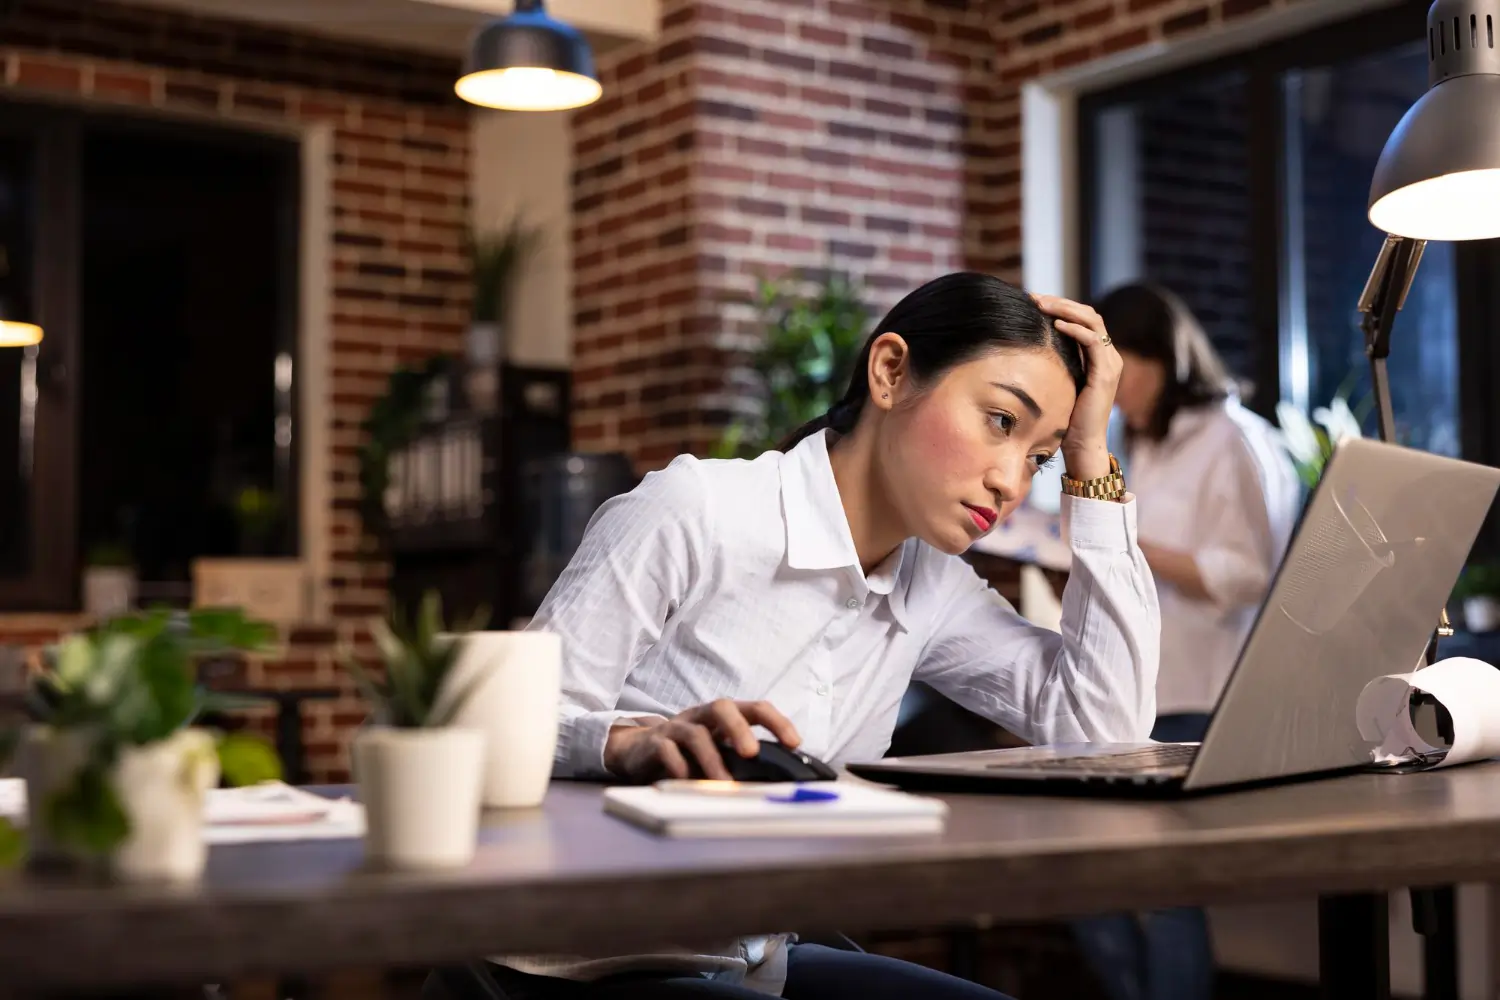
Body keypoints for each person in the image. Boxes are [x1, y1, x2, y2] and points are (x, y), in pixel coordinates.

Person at [462, 272, 1161, 1000]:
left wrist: (1092, 462)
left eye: (1041, 458)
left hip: (754, 960)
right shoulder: (696, 510)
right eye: (1001, 421)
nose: (1012, 481)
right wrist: (628, 741)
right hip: (582, 967)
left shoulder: (933, 587)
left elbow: (1103, 731)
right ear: (890, 371)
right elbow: (496, 736)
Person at [1070, 283, 1300, 1000]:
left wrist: (1122, 542)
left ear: (1163, 359)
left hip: (1199, 691)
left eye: (1120, 369)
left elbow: (1247, 574)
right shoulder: (1142, 440)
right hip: (1134, 691)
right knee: (1087, 873)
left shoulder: (1234, 439)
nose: (1109, 391)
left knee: (1166, 888)